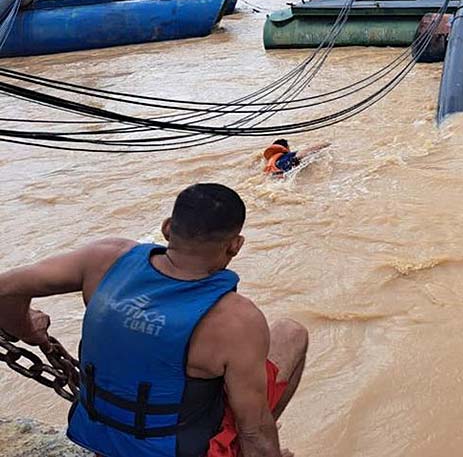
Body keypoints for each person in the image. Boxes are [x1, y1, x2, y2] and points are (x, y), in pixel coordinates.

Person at [0, 183, 307, 457]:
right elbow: (256, 432)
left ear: (168, 228)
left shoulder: (104, 257)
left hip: (98, 435)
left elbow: (5, 288)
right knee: (291, 334)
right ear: (235, 245)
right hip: (178, 449)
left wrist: (25, 328)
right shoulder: (236, 319)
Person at [263, 139, 331, 176]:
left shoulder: (270, 164)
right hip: (288, 170)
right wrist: (326, 144)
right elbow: (302, 153)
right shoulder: (286, 156)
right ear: (286, 148)